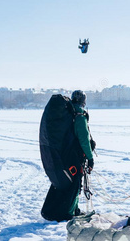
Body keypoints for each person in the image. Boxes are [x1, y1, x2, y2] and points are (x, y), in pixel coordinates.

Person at [41, 90, 95, 221]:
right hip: (73, 156)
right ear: (83, 101)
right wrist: (90, 157)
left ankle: (59, 209)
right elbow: (83, 139)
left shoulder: (67, 113)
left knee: (66, 182)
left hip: (61, 155)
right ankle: (70, 212)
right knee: (75, 183)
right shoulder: (79, 115)